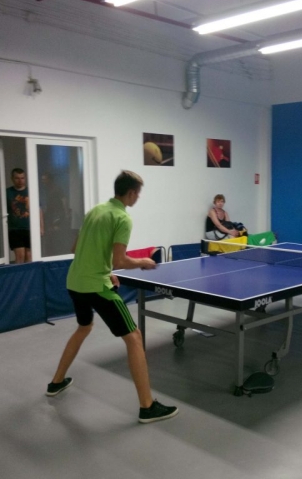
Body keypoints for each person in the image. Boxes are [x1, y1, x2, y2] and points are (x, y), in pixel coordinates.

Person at [46, 170, 178, 424]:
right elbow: (120, 260)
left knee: (84, 327)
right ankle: (147, 406)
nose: (138, 197)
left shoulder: (95, 210)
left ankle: (56, 382)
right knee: (134, 337)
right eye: (138, 193)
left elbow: (77, 248)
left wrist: (106, 270)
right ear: (131, 193)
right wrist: (143, 262)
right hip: (96, 287)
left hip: (74, 282)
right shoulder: (122, 218)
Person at [6, 168, 35, 263]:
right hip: (15, 229)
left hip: (29, 228)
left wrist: (41, 227)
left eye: (22, 178)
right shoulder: (7, 192)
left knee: (29, 256)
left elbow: (38, 210)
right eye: (17, 178)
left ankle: (29, 273)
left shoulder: (31, 192)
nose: (20, 181)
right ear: (12, 178)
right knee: (20, 256)